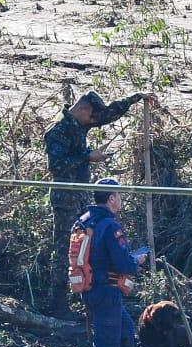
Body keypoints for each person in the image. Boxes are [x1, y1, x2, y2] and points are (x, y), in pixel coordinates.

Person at [43, 89, 157, 315]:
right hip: (65, 200)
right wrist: (87, 156)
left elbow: (107, 115)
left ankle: (84, 295)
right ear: (83, 109)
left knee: (86, 251)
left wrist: (136, 97)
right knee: (65, 249)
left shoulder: (82, 123)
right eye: (92, 117)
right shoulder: (58, 131)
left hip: (80, 199)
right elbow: (55, 166)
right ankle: (57, 303)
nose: (94, 122)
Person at [70, 177, 150, 347]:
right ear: (112, 198)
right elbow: (124, 264)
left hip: (90, 289)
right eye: (120, 196)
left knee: (125, 333)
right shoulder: (110, 225)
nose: (121, 200)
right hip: (107, 293)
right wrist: (137, 261)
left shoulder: (83, 221)